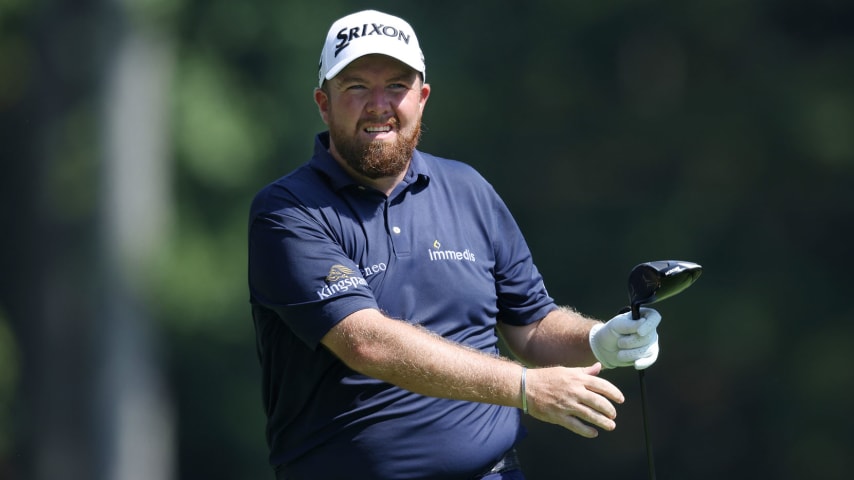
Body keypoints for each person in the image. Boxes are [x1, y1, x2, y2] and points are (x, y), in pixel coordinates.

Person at [248, 9, 661, 480]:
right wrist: (524, 387)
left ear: (422, 97)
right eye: (357, 86)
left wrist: (596, 339)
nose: (379, 104)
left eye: (397, 86)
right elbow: (366, 343)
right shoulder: (288, 210)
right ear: (324, 103)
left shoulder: (468, 189)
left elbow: (530, 323)